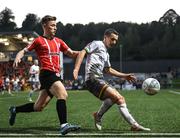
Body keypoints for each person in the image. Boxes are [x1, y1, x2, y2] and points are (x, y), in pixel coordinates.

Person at [9, 15, 80, 135]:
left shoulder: (59, 42)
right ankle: (64, 125)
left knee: (38, 107)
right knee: (63, 94)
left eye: (55, 25)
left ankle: (15, 109)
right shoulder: (38, 41)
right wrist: (18, 56)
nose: (55, 28)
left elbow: (72, 53)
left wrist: (86, 52)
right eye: (52, 25)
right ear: (44, 26)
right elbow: (24, 51)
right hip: (47, 74)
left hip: (55, 75)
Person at [73, 28, 150, 131]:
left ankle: (98, 115)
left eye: (115, 40)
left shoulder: (106, 54)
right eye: (112, 39)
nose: (114, 42)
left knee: (115, 99)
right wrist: (76, 69)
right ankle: (134, 125)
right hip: (92, 79)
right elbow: (82, 52)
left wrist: (124, 76)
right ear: (105, 37)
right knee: (119, 97)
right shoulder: (97, 44)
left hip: (99, 79)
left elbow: (108, 70)